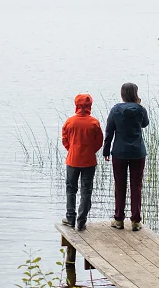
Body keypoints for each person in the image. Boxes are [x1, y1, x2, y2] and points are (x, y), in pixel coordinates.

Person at [103, 82, 150, 231]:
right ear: (135, 94)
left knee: (120, 185)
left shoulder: (116, 110)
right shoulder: (140, 109)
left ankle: (119, 219)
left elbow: (109, 131)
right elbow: (145, 124)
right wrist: (138, 105)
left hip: (119, 152)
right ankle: (136, 221)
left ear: (122, 94)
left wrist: (106, 150)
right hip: (137, 152)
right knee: (136, 186)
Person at [61, 93, 104, 231]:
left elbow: (64, 139)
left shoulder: (70, 122)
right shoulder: (94, 123)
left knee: (71, 189)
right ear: (90, 106)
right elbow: (99, 142)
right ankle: (81, 221)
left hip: (73, 160)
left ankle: (70, 218)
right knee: (86, 191)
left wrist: (72, 149)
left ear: (76, 105)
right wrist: (90, 151)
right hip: (89, 161)